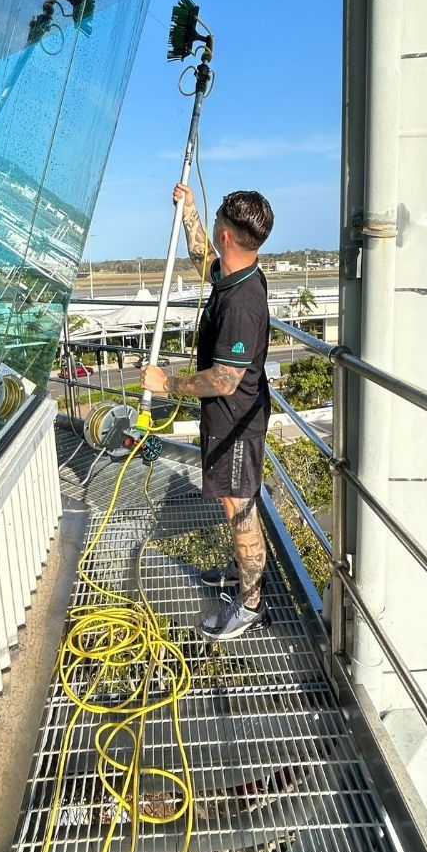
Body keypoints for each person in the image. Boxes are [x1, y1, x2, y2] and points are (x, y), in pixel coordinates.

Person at [141, 183, 274, 640]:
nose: (215, 227)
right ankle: (243, 576)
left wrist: (167, 384)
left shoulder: (242, 303)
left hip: (237, 424)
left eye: (217, 219)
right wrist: (190, 214)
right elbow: (203, 260)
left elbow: (225, 379)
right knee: (233, 503)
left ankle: (251, 604)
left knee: (240, 509)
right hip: (227, 421)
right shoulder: (234, 272)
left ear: (229, 236)